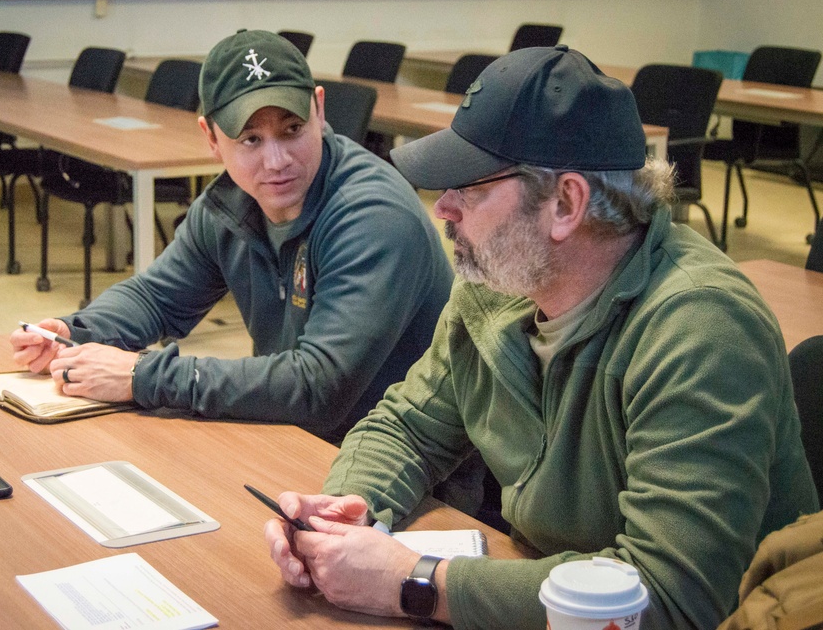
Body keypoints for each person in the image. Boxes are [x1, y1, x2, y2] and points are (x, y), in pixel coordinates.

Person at [263, 45, 820, 629]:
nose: (444, 208)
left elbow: (669, 598)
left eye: (469, 188)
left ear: (565, 204)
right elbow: (408, 427)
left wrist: (415, 581)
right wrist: (345, 514)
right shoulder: (501, 283)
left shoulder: (702, 329)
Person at [10, 29, 453, 443]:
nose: (276, 160)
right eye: (250, 139)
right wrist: (76, 332)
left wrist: (141, 376)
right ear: (211, 138)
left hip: (402, 468)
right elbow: (157, 297)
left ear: (319, 109)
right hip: (297, 439)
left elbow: (319, 388)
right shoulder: (230, 204)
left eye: (292, 130)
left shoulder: (373, 216)